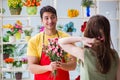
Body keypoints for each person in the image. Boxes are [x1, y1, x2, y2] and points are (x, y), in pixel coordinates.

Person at [58, 15, 120, 80]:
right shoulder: (114, 54)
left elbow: (61, 42)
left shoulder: (84, 53)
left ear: (89, 33)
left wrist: (82, 39)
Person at [27, 5, 77, 80]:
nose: (50, 21)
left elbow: (73, 65)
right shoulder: (34, 41)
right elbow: (32, 68)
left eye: (52, 17)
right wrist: (49, 67)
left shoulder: (66, 38)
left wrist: (61, 65)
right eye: (46, 18)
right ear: (42, 21)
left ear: (56, 19)